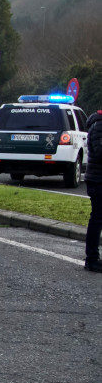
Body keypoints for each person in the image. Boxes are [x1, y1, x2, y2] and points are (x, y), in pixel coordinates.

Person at [84, 110, 102, 272]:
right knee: (97, 219)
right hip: (98, 179)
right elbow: (99, 151)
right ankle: (92, 259)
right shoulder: (98, 125)